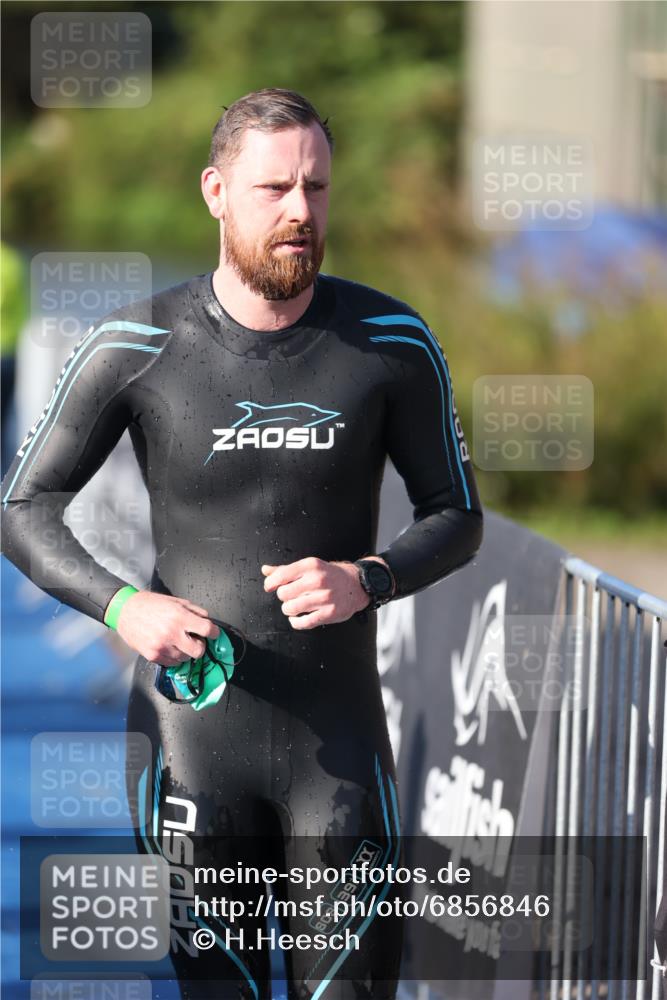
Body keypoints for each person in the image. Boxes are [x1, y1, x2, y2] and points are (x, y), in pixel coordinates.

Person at [1, 89, 483, 1000]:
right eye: (274, 190)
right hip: (191, 739)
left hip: (334, 749)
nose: (300, 211)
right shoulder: (137, 342)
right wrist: (123, 604)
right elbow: (23, 506)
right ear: (216, 192)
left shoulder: (389, 341)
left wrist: (368, 578)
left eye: (316, 187)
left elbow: (455, 516)